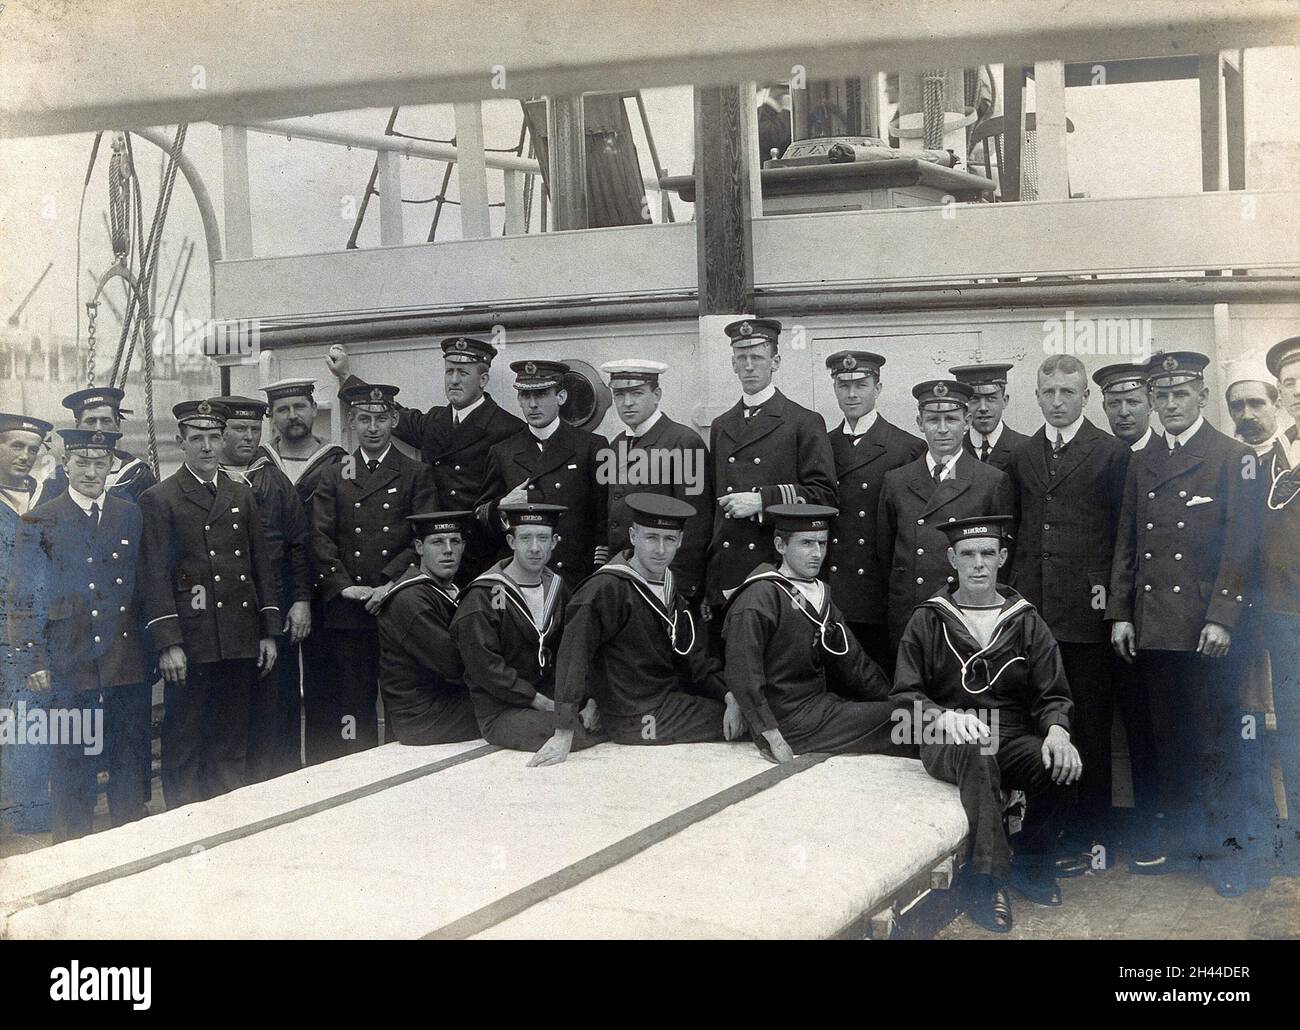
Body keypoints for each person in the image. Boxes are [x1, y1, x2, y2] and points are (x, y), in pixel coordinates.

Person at [1107, 351, 1262, 895]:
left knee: (1217, 743)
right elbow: (1128, 541)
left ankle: (1228, 856)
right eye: (1162, 395)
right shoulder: (1143, 459)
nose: (1171, 404)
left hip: (1205, 630)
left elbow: (1241, 546)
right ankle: (1182, 845)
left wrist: (1222, 617)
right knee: (1169, 742)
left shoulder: (1233, 456)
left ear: (1201, 396)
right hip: (1155, 627)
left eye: (1181, 394)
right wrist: (1121, 613)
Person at [891, 515, 1080, 934]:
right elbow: (904, 698)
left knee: (1060, 764)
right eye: (968, 554)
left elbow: (1053, 693)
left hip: (1008, 734)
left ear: (1002, 558)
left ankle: (1031, 864)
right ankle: (986, 883)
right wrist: (943, 717)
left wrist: (1057, 730)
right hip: (948, 736)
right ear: (951, 559)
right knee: (978, 751)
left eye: (988, 554)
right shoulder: (928, 618)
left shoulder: (1025, 619)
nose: (978, 564)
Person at [1010, 354, 1129, 871]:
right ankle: (1046, 833)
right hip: (1034, 616)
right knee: (1038, 725)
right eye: (1048, 392)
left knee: (1090, 728)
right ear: (1037, 396)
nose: (1057, 402)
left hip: (1088, 615)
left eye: (1067, 392)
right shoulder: (1022, 455)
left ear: (1085, 396)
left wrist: (1115, 607)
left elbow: (1125, 538)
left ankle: (1090, 838)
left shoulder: (1111, 453)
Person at [138, 401, 280, 808]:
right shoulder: (160, 498)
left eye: (214, 438)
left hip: (238, 635)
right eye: (197, 438)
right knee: (185, 737)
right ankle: (184, 821)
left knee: (231, 737)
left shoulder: (241, 494)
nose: (206, 447)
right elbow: (155, 576)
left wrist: (268, 632)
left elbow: (259, 565)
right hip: (192, 639)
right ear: (180, 442)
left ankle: (227, 815)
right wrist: (169, 643)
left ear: (223, 441)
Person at [531, 494, 742, 766]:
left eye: (669, 539)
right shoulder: (604, 588)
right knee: (749, 719)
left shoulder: (669, 587)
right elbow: (573, 658)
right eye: (651, 538)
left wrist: (728, 694)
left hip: (664, 699)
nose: (660, 549)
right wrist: (563, 731)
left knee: (740, 706)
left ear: (680, 540)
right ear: (633, 536)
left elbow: (692, 657)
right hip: (635, 717)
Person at [17, 429, 151, 841]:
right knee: (72, 768)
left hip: (125, 662)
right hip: (69, 662)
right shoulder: (40, 519)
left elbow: (144, 587)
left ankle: (130, 849)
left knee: (129, 765)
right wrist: (34, 659)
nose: (91, 472)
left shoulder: (129, 514)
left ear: (111, 465)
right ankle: (72, 853)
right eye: (82, 463)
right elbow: (24, 597)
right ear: (67, 465)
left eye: (100, 463)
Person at [311, 380, 438, 762]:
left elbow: (424, 538)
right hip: (349, 609)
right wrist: (343, 585)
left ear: (394, 420)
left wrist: (389, 583)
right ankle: (358, 766)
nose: (372, 427)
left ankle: (403, 769)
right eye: (364, 418)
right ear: (351, 421)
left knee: (402, 698)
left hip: (398, 605)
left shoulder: (415, 473)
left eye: (381, 418)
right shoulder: (334, 474)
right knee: (352, 704)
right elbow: (319, 535)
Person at [325, 338, 524, 582]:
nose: (453, 380)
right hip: (433, 556)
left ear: (483, 380)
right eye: (449, 371)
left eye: (463, 373)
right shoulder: (435, 421)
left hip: (480, 554)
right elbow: (388, 412)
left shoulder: (508, 429)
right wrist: (345, 376)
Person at [722, 504, 907, 762]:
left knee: (907, 716)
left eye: (822, 543)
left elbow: (856, 665)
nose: (817, 553)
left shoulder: (818, 593)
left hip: (818, 708)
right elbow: (744, 673)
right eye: (806, 543)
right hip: (785, 723)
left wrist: (896, 700)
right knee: (907, 723)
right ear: (780, 545)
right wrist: (772, 737)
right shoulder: (760, 596)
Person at [705, 318, 837, 624]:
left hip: (777, 568)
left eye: (757, 357)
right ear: (733, 364)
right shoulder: (721, 425)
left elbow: (825, 495)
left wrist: (762, 501)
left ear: (775, 362)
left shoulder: (803, 421)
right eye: (741, 357)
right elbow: (713, 509)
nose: (749, 366)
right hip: (727, 570)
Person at [212, 395, 313, 781]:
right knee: (233, 702)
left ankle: (280, 780)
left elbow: (299, 544)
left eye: (255, 429)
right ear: (221, 434)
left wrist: (301, 600)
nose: (249, 437)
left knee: (278, 699)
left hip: (276, 605)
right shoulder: (210, 480)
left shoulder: (274, 480)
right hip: (227, 610)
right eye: (239, 429)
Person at [452, 503, 601, 753]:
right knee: (571, 732)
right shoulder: (484, 595)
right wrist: (540, 702)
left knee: (606, 717)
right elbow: (486, 668)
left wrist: (590, 699)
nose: (534, 547)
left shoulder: (557, 588)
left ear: (554, 542)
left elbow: (577, 650)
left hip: (553, 701)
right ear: (511, 541)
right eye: (525, 538)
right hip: (504, 709)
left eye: (542, 538)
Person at [877, 379, 1015, 646]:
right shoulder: (896, 481)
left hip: (965, 614)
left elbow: (1000, 559)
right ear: (919, 423)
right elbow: (885, 553)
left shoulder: (990, 481)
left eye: (951, 419)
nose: (942, 429)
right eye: (933, 420)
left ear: (967, 422)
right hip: (911, 611)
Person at [823, 350, 925, 672]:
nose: (852, 394)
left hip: (877, 592)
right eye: (843, 385)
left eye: (861, 385)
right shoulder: (822, 444)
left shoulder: (906, 447)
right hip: (833, 589)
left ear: (877, 388)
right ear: (835, 388)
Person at [475, 359, 608, 589]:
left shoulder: (590, 447)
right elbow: (481, 518)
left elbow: (604, 520)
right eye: (525, 396)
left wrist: (597, 575)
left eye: (542, 394)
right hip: (521, 579)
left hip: (575, 577)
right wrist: (503, 507)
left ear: (561, 397)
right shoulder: (503, 451)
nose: (533, 404)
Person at [601, 359, 711, 605]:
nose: (627, 402)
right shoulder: (617, 445)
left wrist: (679, 589)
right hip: (624, 579)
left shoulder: (683, 442)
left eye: (637, 393)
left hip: (663, 583)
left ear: (657, 395)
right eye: (619, 394)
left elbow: (696, 525)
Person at [375, 510, 480, 745]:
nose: (448, 550)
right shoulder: (410, 598)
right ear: (419, 547)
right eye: (437, 542)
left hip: (448, 704)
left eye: (455, 541)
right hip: (424, 718)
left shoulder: (447, 590)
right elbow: (454, 664)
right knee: (519, 709)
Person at [0, 412, 55, 834]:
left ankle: (30, 814)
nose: (24, 455)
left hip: (39, 629)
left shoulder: (45, 497)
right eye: (15, 446)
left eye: (32, 449)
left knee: (32, 720)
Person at [1259, 337, 1300, 874]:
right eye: (1290, 383)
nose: (1299, 391)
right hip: (1287, 616)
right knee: (1293, 723)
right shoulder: (1270, 460)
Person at [43, 387, 158, 504]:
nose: (98, 428)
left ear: (117, 424)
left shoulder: (137, 476)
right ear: (77, 425)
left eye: (106, 421)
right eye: (91, 421)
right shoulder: (59, 478)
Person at [255, 378, 348, 507]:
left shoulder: (341, 459)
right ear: (271, 415)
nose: (292, 416)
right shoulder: (258, 460)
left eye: (299, 407)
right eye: (283, 409)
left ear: (314, 409)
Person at [950, 363, 1030, 473]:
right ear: (964, 405)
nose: (983, 408)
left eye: (991, 398)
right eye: (974, 399)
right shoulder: (951, 452)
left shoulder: (1027, 448)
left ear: (1004, 401)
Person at [1093, 363, 1162, 451]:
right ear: (1104, 408)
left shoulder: (1166, 454)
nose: (1123, 412)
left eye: (1132, 402)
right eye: (1114, 404)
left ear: (1151, 404)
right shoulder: (1098, 455)